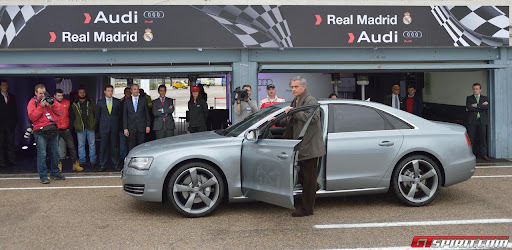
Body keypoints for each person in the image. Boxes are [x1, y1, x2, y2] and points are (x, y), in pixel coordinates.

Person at [278, 76, 326, 217]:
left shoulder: (310, 100)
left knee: (308, 179)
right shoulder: (296, 100)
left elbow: (314, 118)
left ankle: (307, 209)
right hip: (300, 146)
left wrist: (294, 112)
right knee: (302, 175)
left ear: (303, 87)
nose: (293, 89)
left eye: (296, 87)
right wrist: (275, 121)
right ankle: (314, 187)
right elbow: (291, 120)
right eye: (292, 87)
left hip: (310, 146)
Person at [27, 84, 66, 184]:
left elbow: (61, 111)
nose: (42, 95)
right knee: (42, 154)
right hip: (40, 131)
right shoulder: (33, 102)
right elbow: (32, 117)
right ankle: (43, 176)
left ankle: (55, 172)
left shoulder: (51, 99)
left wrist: (52, 104)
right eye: (40, 93)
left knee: (56, 153)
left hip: (52, 129)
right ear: (35, 93)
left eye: (43, 93)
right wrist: (41, 106)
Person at [54, 89, 81, 172]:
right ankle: (58, 165)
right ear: (54, 96)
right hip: (55, 129)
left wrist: (70, 128)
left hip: (66, 128)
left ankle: (75, 164)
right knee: (55, 148)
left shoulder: (68, 103)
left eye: (61, 95)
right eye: (58, 96)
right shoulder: (51, 104)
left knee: (71, 146)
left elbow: (72, 116)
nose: (60, 97)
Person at [96, 85, 121, 172]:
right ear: (104, 92)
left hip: (114, 127)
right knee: (103, 147)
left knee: (114, 147)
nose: (110, 92)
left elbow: (119, 115)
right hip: (104, 128)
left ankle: (116, 164)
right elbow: (97, 116)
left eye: (111, 91)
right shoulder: (100, 102)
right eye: (108, 91)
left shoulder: (117, 102)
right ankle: (102, 164)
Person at [70, 87, 97, 169]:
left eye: (83, 92)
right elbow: (72, 116)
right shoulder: (74, 104)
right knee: (81, 145)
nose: (82, 94)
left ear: (86, 93)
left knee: (92, 144)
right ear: (78, 94)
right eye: (80, 92)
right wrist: (74, 125)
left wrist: (94, 123)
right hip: (80, 127)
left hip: (90, 126)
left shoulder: (91, 103)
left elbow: (95, 114)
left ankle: (93, 160)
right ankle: (82, 161)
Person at [466, 83, 490, 161]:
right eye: (474, 89)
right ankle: (470, 154)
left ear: (480, 90)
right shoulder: (469, 98)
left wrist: (476, 105)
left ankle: (483, 154)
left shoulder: (485, 98)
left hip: (482, 121)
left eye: (477, 89)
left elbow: (486, 107)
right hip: (472, 121)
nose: (475, 90)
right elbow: (469, 108)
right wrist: (481, 106)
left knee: (483, 138)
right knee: (471, 138)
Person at [123, 84, 150, 150]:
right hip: (131, 127)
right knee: (131, 146)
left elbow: (147, 113)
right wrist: (125, 128)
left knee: (141, 146)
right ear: (131, 90)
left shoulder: (143, 100)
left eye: (137, 89)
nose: (136, 91)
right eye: (134, 89)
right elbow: (125, 115)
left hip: (141, 126)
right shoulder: (127, 101)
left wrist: (148, 125)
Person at [0, 80, 17, 168]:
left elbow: (15, 111)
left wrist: (14, 122)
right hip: (1, 125)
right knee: (1, 143)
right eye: (3, 85)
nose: (5, 87)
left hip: (10, 124)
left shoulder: (12, 97)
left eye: (6, 85)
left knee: (10, 143)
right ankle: (1, 161)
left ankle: (11, 160)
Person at [119, 87, 131, 161]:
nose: (128, 93)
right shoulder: (120, 103)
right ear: (124, 93)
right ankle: (123, 160)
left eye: (129, 92)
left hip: (132, 127)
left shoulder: (133, 102)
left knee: (131, 144)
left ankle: (130, 159)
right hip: (122, 127)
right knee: (122, 144)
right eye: (127, 92)